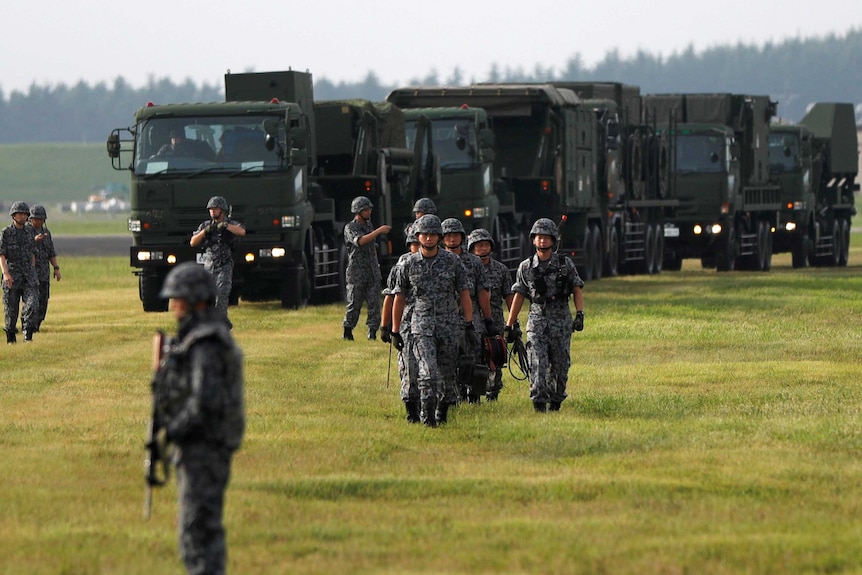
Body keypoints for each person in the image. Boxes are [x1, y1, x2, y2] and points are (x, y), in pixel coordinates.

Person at [154, 262, 245, 575]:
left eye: (178, 298)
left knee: (198, 531)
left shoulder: (206, 343)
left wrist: (175, 429)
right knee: (198, 527)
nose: (173, 305)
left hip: (204, 446)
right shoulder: (197, 337)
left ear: (196, 300)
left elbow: (203, 401)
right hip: (201, 445)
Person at [391, 214, 476, 426]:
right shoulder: (408, 264)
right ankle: (426, 415)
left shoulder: (452, 262)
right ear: (417, 236)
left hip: (449, 325)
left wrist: (468, 323)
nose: (428, 238)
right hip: (421, 324)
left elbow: (464, 293)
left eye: (432, 235)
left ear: (439, 236)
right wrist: (394, 330)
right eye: (424, 234)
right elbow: (399, 297)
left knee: (447, 374)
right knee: (428, 372)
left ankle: (442, 412)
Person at [504, 218, 585, 412]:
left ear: (553, 240)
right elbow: (519, 295)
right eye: (538, 237)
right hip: (537, 321)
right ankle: (539, 403)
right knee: (537, 363)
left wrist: (580, 313)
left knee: (560, 365)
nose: (542, 241)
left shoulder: (565, 264)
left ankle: (556, 400)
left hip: (561, 320)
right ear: (533, 240)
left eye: (546, 237)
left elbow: (577, 288)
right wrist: (509, 325)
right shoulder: (525, 267)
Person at [441, 217, 493, 402]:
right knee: (449, 357)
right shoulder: (439, 260)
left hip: (471, 315)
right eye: (447, 235)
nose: (452, 239)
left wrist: (488, 320)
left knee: (475, 357)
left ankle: (475, 396)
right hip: (446, 315)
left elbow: (482, 292)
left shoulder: (474, 262)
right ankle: (455, 395)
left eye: (455, 235)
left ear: (462, 237)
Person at [467, 228, 514, 401]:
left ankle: (493, 393)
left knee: (496, 357)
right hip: (473, 320)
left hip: (495, 321)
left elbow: (509, 296)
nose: (483, 248)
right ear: (472, 247)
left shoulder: (501, 270)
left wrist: (513, 323)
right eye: (479, 245)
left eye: (486, 244)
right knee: (476, 359)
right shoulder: (465, 268)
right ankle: (474, 394)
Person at [380, 231, 422, 422]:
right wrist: (385, 326)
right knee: (409, 368)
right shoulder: (400, 267)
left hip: (432, 323)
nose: (418, 248)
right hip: (406, 325)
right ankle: (411, 408)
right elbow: (391, 298)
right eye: (414, 244)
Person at [190, 196, 245, 329]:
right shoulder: (205, 225)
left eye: (215, 209)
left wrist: (226, 226)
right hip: (209, 266)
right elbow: (193, 242)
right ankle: (220, 323)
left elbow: (242, 231)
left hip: (224, 265)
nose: (212, 212)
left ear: (222, 210)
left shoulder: (230, 223)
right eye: (211, 209)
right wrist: (206, 231)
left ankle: (220, 326)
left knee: (221, 296)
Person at [342, 196, 390, 341]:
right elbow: (360, 241)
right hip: (357, 273)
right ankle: (348, 330)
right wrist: (379, 231)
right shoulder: (350, 228)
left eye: (369, 209)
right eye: (366, 210)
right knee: (354, 303)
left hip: (372, 271)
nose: (369, 212)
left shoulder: (369, 226)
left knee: (374, 303)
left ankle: (372, 332)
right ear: (358, 211)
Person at [0, 201, 38, 344]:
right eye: (19, 214)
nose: (22, 216)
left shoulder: (30, 232)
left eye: (24, 214)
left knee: (32, 304)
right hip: (13, 275)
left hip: (29, 276)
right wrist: (5, 273)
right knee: (11, 309)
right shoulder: (6, 233)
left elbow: (32, 252)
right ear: (13, 216)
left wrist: (33, 269)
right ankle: (11, 337)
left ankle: (28, 334)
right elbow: (1, 255)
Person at [26, 204, 61, 332]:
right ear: (31, 219)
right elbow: (22, 249)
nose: (39, 221)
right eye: (36, 218)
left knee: (43, 301)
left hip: (44, 274)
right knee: (31, 302)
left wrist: (56, 268)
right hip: (30, 274)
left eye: (41, 219)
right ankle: (28, 327)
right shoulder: (25, 232)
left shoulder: (46, 232)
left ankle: (37, 325)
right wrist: (34, 240)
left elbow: (51, 252)